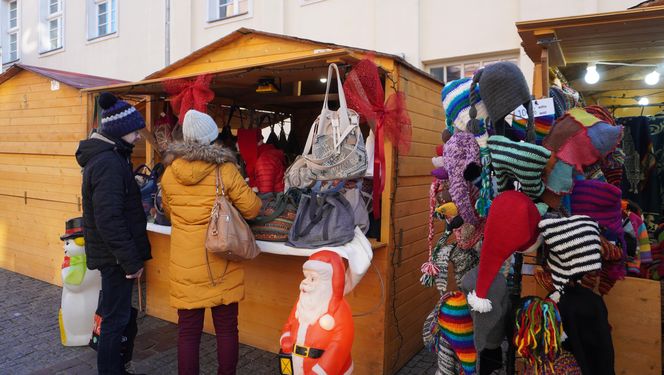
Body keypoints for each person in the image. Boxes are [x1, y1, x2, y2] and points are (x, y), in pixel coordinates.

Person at [160, 109, 261, 375]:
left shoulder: (169, 173)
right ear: (211, 137)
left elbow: (169, 211)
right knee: (227, 329)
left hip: (185, 264)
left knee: (188, 332)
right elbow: (251, 209)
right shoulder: (224, 170)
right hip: (221, 261)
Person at [76, 92, 152, 375]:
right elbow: (109, 219)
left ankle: (116, 368)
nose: (139, 137)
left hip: (114, 255)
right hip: (116, 258)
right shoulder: (108, 163)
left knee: (115, 316)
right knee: (114, 320)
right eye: (135, 130)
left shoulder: (112, 158)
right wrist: (130, 261)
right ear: (121, 131)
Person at [280, 250, 354, 375]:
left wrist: (322, 370)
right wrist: (286, 337)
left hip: (323, 369)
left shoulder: (340, 309)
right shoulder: (302, 302)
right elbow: (289, 323)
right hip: (296, 365)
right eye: (306, 277)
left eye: (313, 278)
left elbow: (340, 345)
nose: (305, 282)